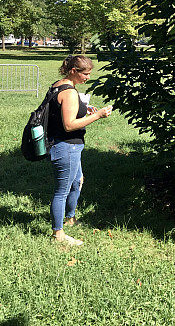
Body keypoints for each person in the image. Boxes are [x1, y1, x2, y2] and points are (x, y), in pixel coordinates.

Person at [48, 54, 113, 246]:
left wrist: (85, 108)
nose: (88, 77)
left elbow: (62, 111)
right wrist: (98, 115)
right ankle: (58, 234)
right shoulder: (68, 92)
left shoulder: (59, 84)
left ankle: (70, 218)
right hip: (66, 146)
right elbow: (69, 125)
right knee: (62, 191)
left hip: (69, 145)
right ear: (74, 71)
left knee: (77, 182)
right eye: (85, 74)